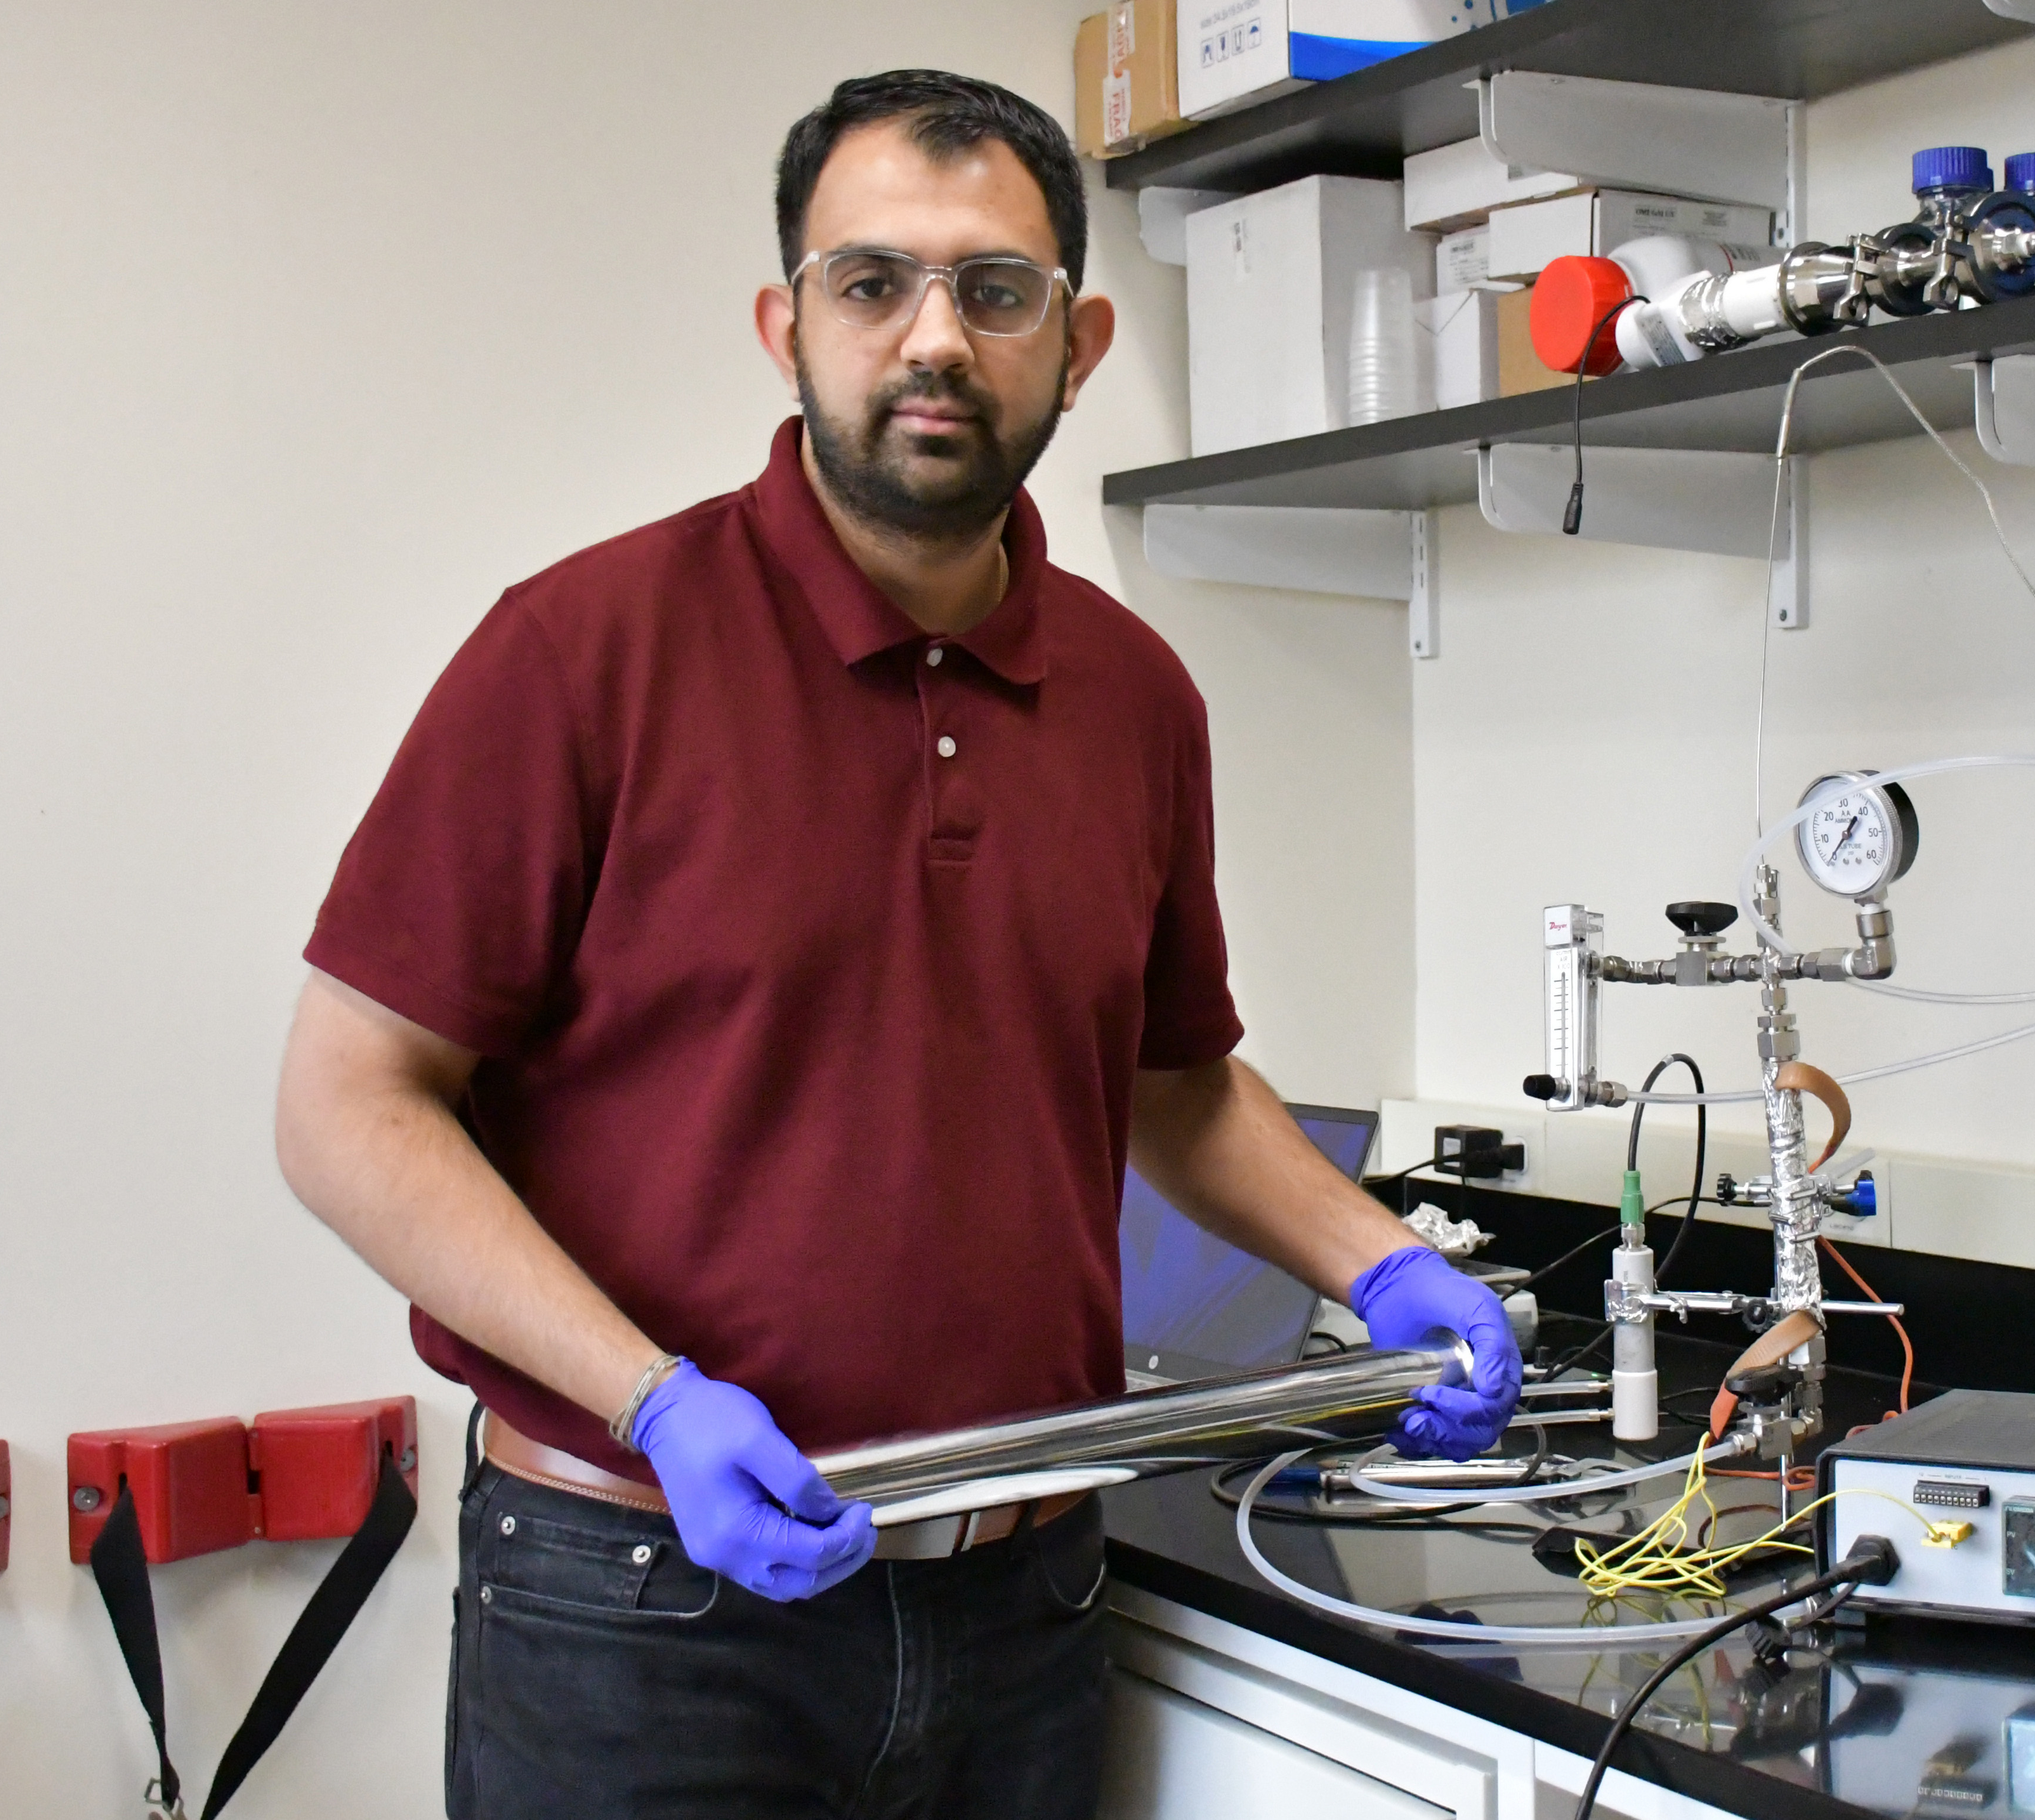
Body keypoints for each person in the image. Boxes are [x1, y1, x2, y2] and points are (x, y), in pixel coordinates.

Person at [274, 68, 1521, 1820]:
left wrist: (1381, 1268)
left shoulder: (1134, 695)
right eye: (873, 284)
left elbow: (1172, 1082)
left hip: (1023, 1599)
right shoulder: (578, 653)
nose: (933, 337)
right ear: (786, 323)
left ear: (1077, 344)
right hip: (641, 1610)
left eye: (992, 291)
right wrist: (653, 1404)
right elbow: (350, 1104)